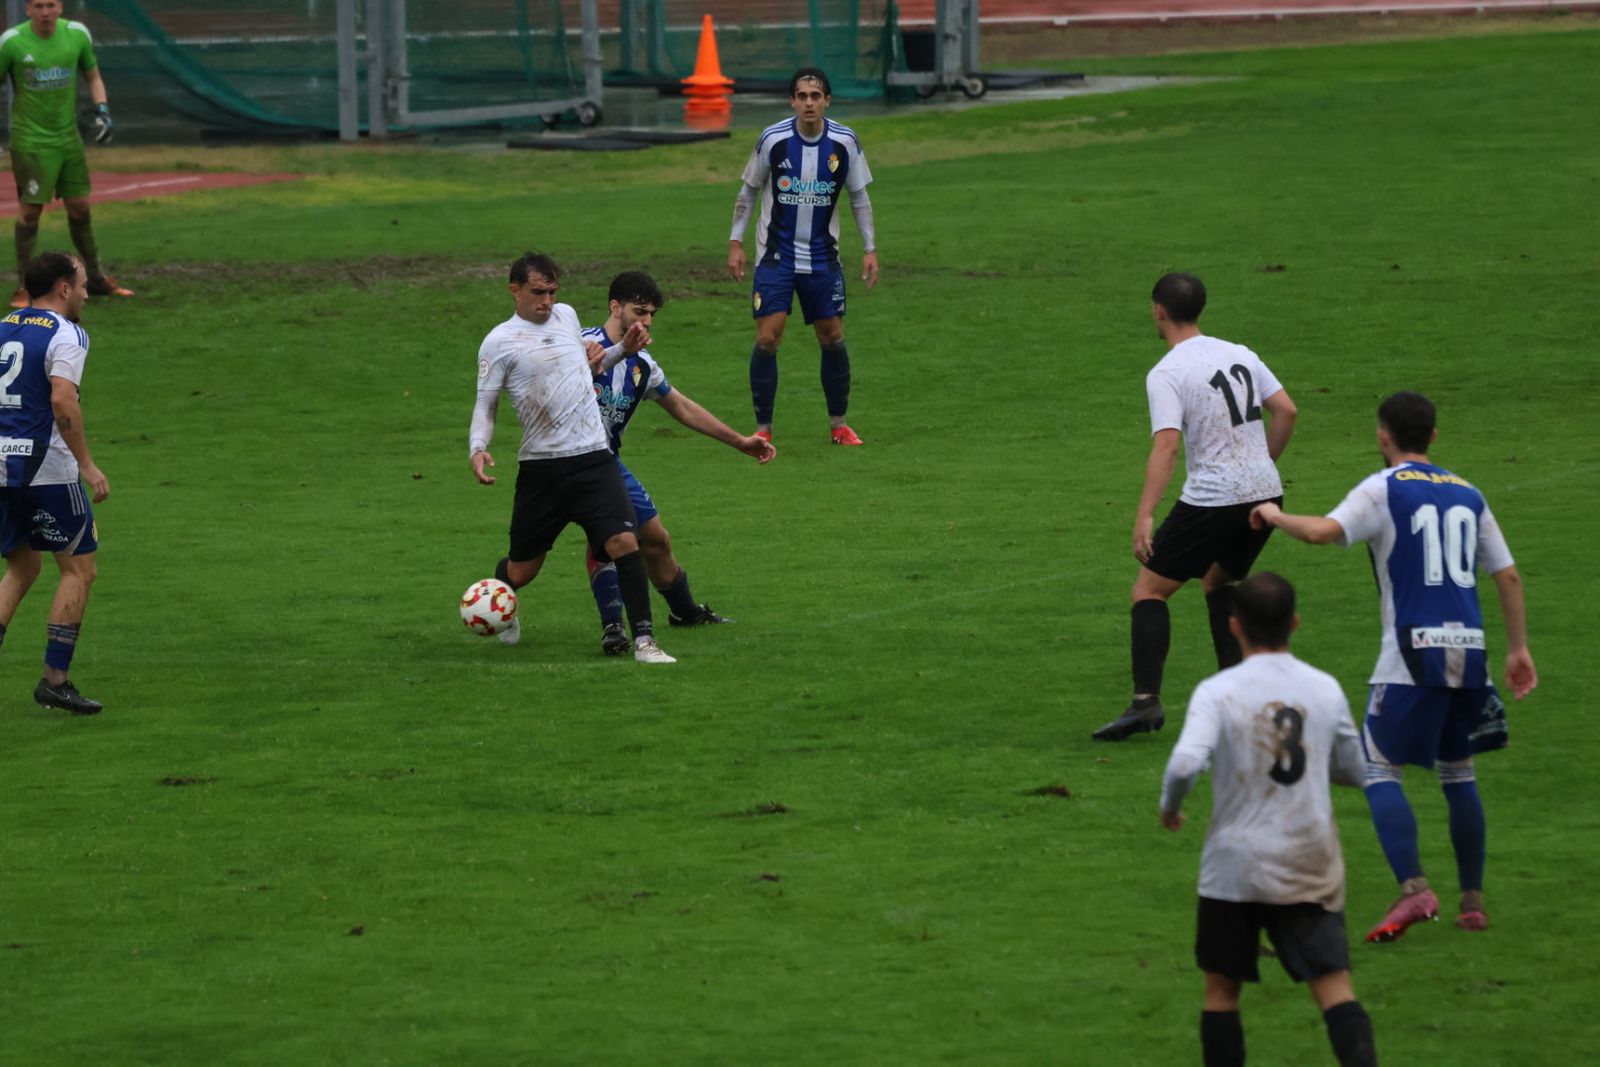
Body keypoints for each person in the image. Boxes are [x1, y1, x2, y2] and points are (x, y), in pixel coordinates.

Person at [1251, 391, 1537, 941]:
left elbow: (1322, 532)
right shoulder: (1469, 493)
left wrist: (1274, 514)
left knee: (1378, 768)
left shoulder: (1382, 489)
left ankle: (1415, 891)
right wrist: (1517, 649)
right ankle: (1472, 902)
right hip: (1470, 649)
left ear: (1383, 437)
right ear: (1433, 436)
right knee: (1459, 772)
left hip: (1412, 649)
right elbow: (1508, 576)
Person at [1160, 572, 1377, 1067]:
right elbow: (1358, 771)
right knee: (1335, 988)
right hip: (1309, 857)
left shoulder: (1218, 691)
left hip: (1234, 865)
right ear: (1295, 623)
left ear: (1235, 626)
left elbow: (1184, 764)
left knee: (1221, 993)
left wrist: (1170, 807)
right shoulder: (1324, 689)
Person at [1094, 272, 1298, 741]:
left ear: (1158, 310)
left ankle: (1145, 704)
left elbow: (1166, 448)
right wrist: (1262, 463)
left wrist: (1145, 514)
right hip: (1266, 493)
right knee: (1219, 580)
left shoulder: (1168, 371)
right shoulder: (1240, 353)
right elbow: (1287, 410)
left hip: (1215, 498)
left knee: (1149, 590)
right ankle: (1241, 701)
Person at [469, 252, 675, 664]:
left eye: (552, 291)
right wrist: (478, 447)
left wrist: (622, 348)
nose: (547, 301)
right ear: (515, 291)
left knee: (623, 541)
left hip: (592, 458)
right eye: (537, 292)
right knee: (523, 571)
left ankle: (645, 642)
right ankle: (500, 604)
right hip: (541, 469)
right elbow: (485, 405)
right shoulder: (499, 341)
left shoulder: (566, 316)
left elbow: (585, 371)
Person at [580, 270, 776, 655]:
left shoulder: (643, 367)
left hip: (608, 463)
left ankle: (685, 612)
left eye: (652, 314)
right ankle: (613, 627)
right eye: (640, 311)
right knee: (550, 558)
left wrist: (740, 442)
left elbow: (682, 407)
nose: (647, 321)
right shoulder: (580, 345)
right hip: (564, 465)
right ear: (614, 307)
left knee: (655, 539)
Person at [727, 66, 877, 447]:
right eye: (802, 96)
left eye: (816, 96)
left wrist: (870, 249)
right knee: (767, 338)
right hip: (776, 257)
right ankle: (762, 429)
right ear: (792, 100)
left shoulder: (844, 142)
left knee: (832, 336)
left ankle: (839, 425)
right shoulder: (773, 139)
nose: (809, 103)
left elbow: (859, 198)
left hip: (823, 258)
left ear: (827, 100)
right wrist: (735, 243)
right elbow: (747, 192)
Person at [0, 251, 110, 714]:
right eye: (82, 284)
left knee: (23, 568)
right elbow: (64, 401)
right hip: (46, 470)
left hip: (1, 466)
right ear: (63, 289)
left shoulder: (4, 324)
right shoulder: (68, 334)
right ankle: (54, 680)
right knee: (79, 570)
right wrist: (87, 465)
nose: (86, 293)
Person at [0, 0, 131, 310]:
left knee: (80, 209)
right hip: (31, 141)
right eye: (38, 5)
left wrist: (102, 111)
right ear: (28, 9)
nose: (45, 12)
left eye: (51, 4)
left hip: (68, 139)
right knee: (30, 212)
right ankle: (25, 288)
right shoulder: (12, 42)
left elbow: (93, 76)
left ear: (60, 7)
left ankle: (95, 279)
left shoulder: (76, 35)